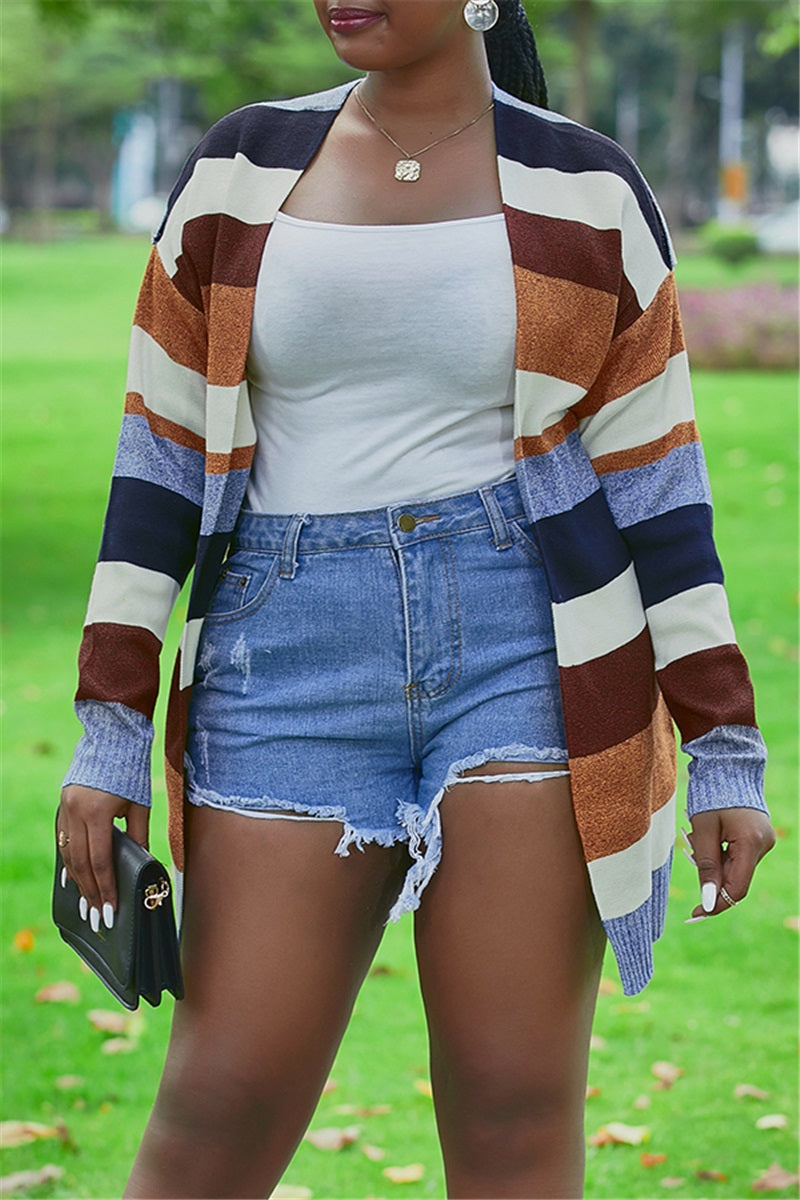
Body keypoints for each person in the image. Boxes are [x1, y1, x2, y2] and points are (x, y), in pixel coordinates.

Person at [56, 2, 776, 1196]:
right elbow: (158, 464)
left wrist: (724, 748)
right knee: (218, 1105)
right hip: (282, 661)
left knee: (510, 1103)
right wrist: (110, 728)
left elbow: (658, 487)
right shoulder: (240, 170)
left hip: (528, 652)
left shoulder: (585, 187)